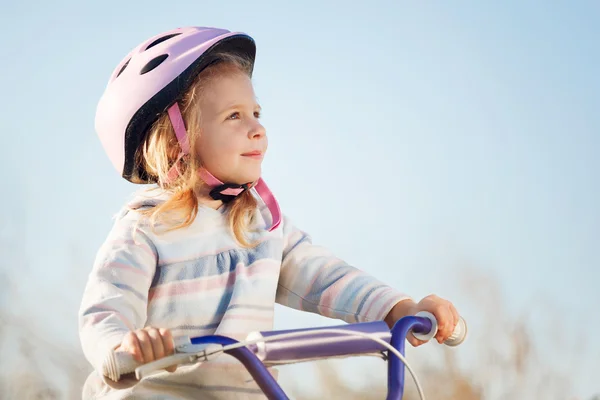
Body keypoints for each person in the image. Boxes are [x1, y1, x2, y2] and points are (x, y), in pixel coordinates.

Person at [78, 26, 461, 399]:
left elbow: (325, 277)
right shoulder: (146, 228)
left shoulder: (260, 225)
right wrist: (121, 348)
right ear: (177, 140)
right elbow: (104, 310)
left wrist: (397, 308)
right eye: (234, 116)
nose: (257, 128)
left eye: (256, 113)